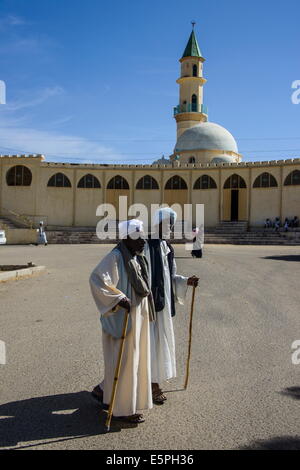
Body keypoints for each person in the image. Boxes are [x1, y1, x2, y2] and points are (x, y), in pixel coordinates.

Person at [89, 219, 154, 424]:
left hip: (137, 318)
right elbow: (97, 279)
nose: (143, 241)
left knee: (132, 362)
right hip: (123, 320)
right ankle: (123, 409)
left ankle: (111, 398)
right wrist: (118, 299)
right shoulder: (116, 257)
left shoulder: (136, 258)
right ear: (126, 237)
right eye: (138, 237)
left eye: (143, 236)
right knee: (124, 363)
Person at [145, 208, 199, 405]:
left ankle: (154, 381)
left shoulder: (166, 246)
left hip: (163, 306)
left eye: (171, 224)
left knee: (160, 344)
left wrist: (186, 282)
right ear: (157, 223)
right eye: (167, 223)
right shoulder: (144, 245)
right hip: (150, 306)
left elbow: (170, 277)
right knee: (150, 344)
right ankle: (151, 384)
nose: (169, 227)